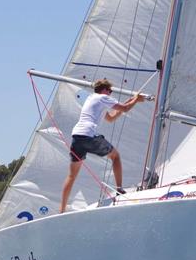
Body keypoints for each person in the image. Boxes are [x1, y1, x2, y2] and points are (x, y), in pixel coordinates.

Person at [60, 79, 144, 212]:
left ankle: (61, 210)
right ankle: (120, 190)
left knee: (71, 176)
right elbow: (126, 109)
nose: (110, 93)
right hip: (88, 135)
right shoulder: (103, 97)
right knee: (115, 156)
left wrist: (131, 100)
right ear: (104, 90)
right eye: (110, 91)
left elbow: (111, 118)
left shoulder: (91, 100)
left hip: (77, 136)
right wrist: (136, 100)